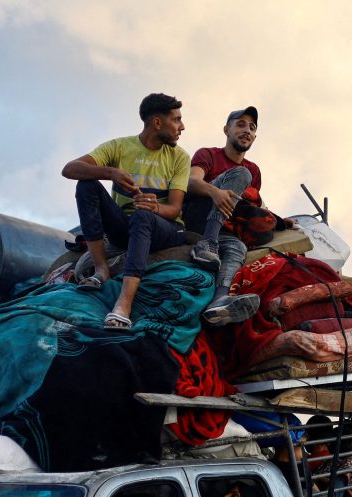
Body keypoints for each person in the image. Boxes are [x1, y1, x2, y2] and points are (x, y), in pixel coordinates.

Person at [61, 93, 191, 330]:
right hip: (126, 229)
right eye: (176, 120)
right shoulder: (119, 147)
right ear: (157, 123)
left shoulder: (179, 157)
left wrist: (155, 207)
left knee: (143, 216)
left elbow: (174, 210)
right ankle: (101, 269)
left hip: (166, 229)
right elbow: (69, 169)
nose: (182, 126)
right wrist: (110, 173)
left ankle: (123, 304)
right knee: (86, 184)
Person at [182, 106, 267, 326]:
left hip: (225, 229)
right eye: (240, 124)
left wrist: (278, 220)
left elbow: (251, 203)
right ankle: (206, 243)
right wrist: (215, 192)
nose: (247, 130)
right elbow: (191, 182)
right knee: (241, 174)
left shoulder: (255, 170)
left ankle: (220, 300)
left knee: (237, 248)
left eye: (252, 127)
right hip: (198, 217)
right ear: (226, 130)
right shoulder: (208, 154)